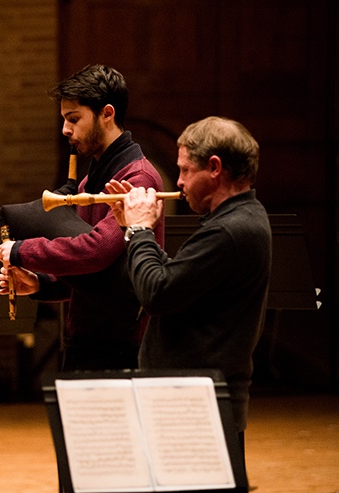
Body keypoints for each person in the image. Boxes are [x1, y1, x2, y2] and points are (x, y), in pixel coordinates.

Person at [106, 116, 271, 453]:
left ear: (214, 167)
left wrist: (140, 231)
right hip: (193, 400)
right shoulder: (238, 220)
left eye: (184, 170)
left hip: (196, 405)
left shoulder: (229, 230)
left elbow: (158, 292)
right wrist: (130, 227)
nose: (178, 181)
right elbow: (178, 283)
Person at [0, 64, 165, 371]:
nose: (65, 129)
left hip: (123, 345)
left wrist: (22, 250)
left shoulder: (139, 178)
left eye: (73, 119)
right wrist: (39, 284)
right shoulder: (89, 183)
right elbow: (89, 277)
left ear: (107, 114)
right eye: (64, 119)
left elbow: (96, 251)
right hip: (85, 340)